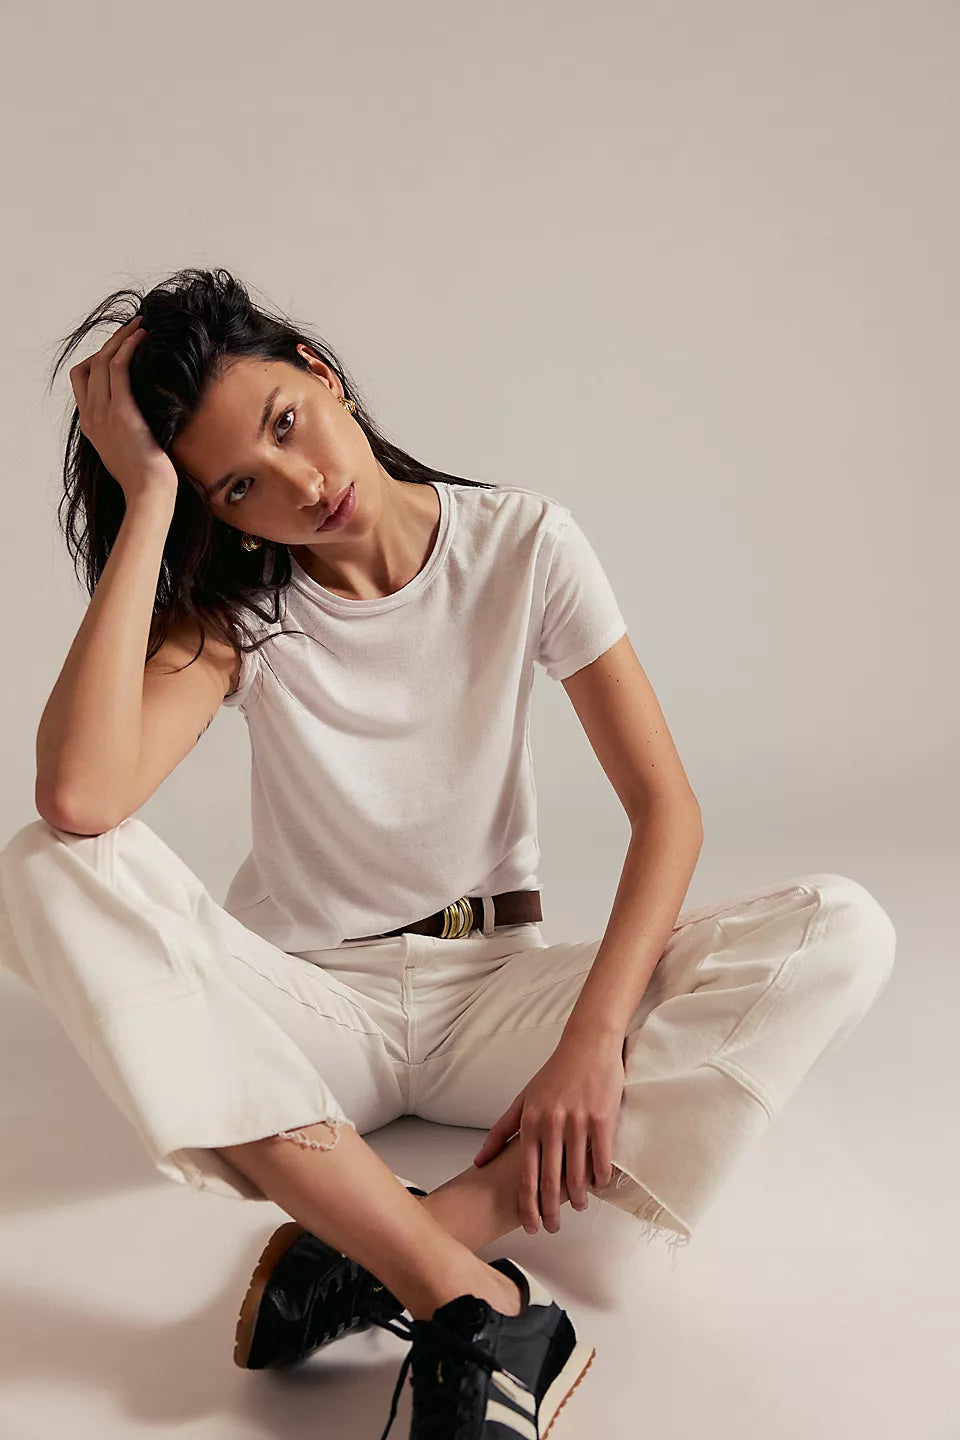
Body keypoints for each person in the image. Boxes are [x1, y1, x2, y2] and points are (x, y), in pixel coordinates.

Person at [0, 268, 897, 1439]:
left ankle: (414, 1235)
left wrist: (587, 1045)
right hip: (313, 1012)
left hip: (498, 1000)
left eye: (287, 422)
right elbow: (77, 797)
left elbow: (665, 808)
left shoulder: (521, 542)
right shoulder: (243, 614)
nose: (300, 484)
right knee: (45, 864)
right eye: (240, 485)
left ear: (322, 376)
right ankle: (465, 1295)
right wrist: (152, 501)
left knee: (841, 930)